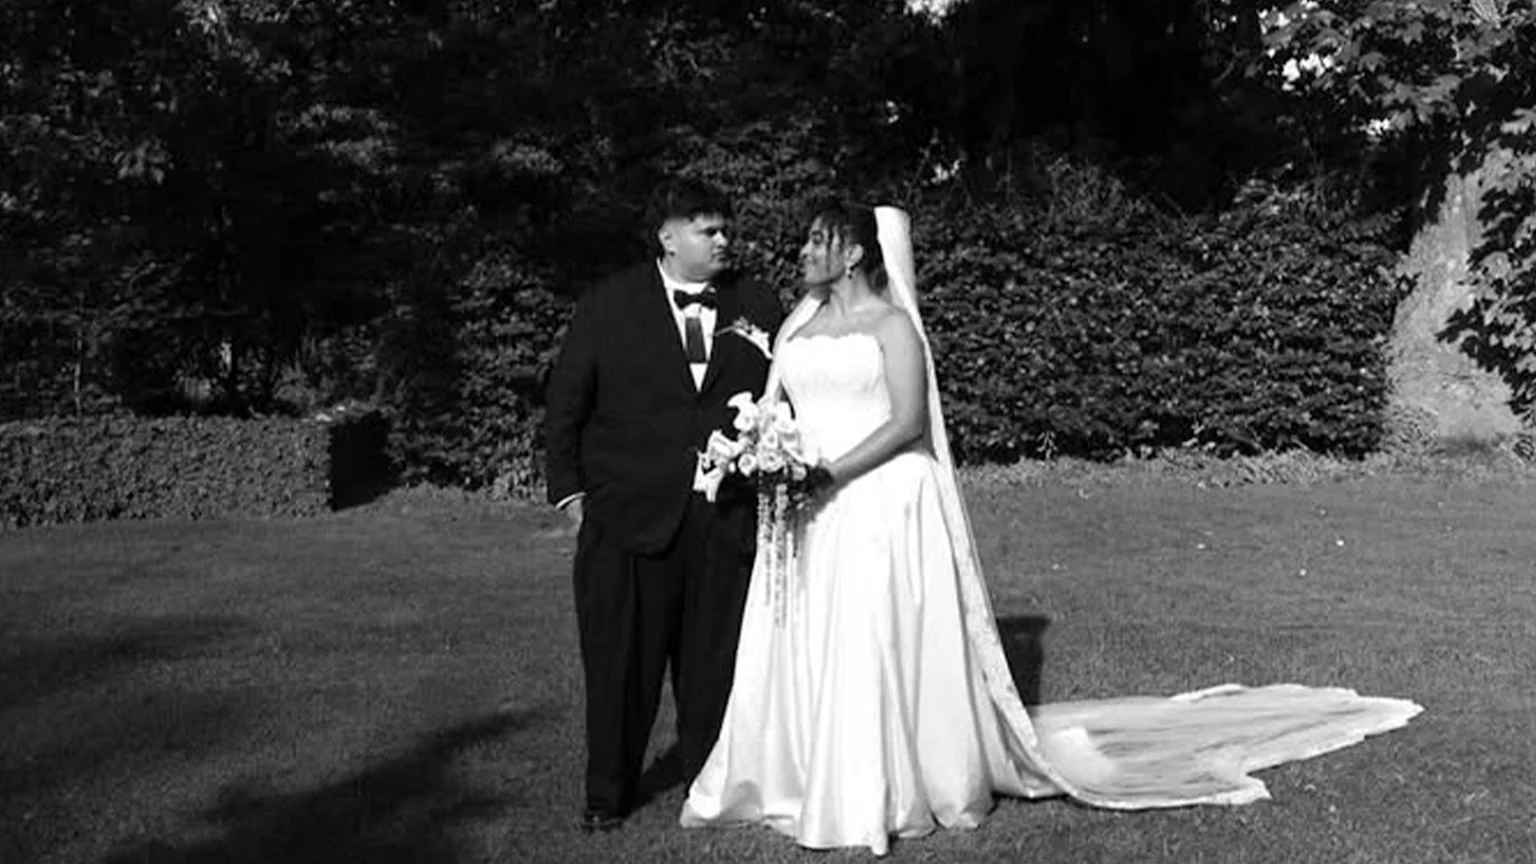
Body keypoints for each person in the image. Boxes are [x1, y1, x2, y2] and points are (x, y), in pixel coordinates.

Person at [679, 202, 1422, 855]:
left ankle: (875, 783)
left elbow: (908, 423)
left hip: (877, 497)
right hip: (807, 506)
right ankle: (797, 769)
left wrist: (831, 471)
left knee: (871, 636)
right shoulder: (800, 324)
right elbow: (777, 408)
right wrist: (769, 456)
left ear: (852, 252)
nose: (803, 254)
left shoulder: (893, 325)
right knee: (809, 635)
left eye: (816, 242)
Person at [543, 177, 784, 832]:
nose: (723, 240)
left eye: (725, 229)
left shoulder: (758, 302)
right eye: (709, 230)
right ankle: (606, 793)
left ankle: (709, 788)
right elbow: (565, 408)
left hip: (725, 521)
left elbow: (782, 400)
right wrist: (573, 499)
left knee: (715, 666)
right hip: (625, 521)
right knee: (620, 665)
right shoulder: (608, 305)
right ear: (668, 236)